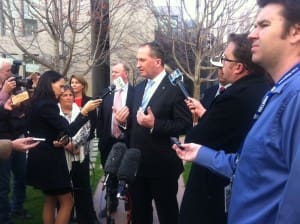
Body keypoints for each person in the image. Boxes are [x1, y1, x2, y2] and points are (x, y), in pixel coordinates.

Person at [173, 1, 300, 223]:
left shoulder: (295, 96)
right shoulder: (277, 92)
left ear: (295, 32)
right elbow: (249, 165)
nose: (252, 34)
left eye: (263, 25)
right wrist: (201, 152)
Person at [179, 33, 270, 224]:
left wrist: (201, 119)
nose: (221, 64)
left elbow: (195, 138)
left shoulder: (234, 96)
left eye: (224, 59)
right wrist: (207, 115)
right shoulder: (264, 87)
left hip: (212, 191)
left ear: (238, 67)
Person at [129, 41, 192, 224]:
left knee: (167, 214)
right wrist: (124, 122)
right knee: (140, 215)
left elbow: (184, 124)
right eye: (137, 60)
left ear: (157, 62)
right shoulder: (139, 87)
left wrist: (155, 125)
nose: (138, 64)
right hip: (137, 166)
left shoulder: (175, 88)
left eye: (142, 60)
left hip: (162, 167)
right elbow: (136, 122)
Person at [26, 70, 101, 224]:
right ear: (50, 84)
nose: (63, 90)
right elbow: (68, 129)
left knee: (50, 199)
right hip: (50, 158)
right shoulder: (48, 104)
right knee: (67, 201)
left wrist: (56, 137)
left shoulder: (35, 102)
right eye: (60, 87)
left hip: (38, 153)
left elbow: (46, 128)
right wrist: (84, 112)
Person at [96, 62, 134, 216]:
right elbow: (101, 118)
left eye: (116, 72)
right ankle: (111, 202)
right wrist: (100, 136)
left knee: (128, 174)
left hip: (127, 140)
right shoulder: (107, 92)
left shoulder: (135, 92)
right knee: (109, 173)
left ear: (126, 74)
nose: (113, 75)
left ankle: (130, 202)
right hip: (108, 140)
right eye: (112, 72)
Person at [0, 58, 33, 224]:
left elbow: (25, 107)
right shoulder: (4, 90)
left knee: (21, 176)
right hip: (3, 143)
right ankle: (4, 218)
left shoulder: (16, 87)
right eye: (7, 71)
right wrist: (4, 93)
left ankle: (17, 208)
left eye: (11, 70)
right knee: (3, 183)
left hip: (18, 136)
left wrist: (23, 97)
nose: (10, 74)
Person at [69, 75, 98, 223]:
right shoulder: (67, 99)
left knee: (83, 180)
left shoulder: (89, 101)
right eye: (72, 82)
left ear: (83, 85)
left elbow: (93, 124)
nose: (73, 85)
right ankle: (69, 213)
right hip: (68, 144)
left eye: (76, 82)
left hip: (85, 143)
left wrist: (81, 142)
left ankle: (87, 215)